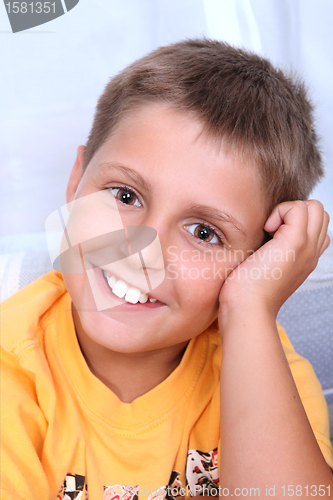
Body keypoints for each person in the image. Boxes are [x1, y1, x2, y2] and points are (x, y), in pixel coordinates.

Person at [1, 39, 332, 500]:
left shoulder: (266, 369)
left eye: (203, 232)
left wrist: (251, 308)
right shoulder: (10, 366)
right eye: (125, 195)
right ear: (76, 182)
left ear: (259, 258)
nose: (141, 251)